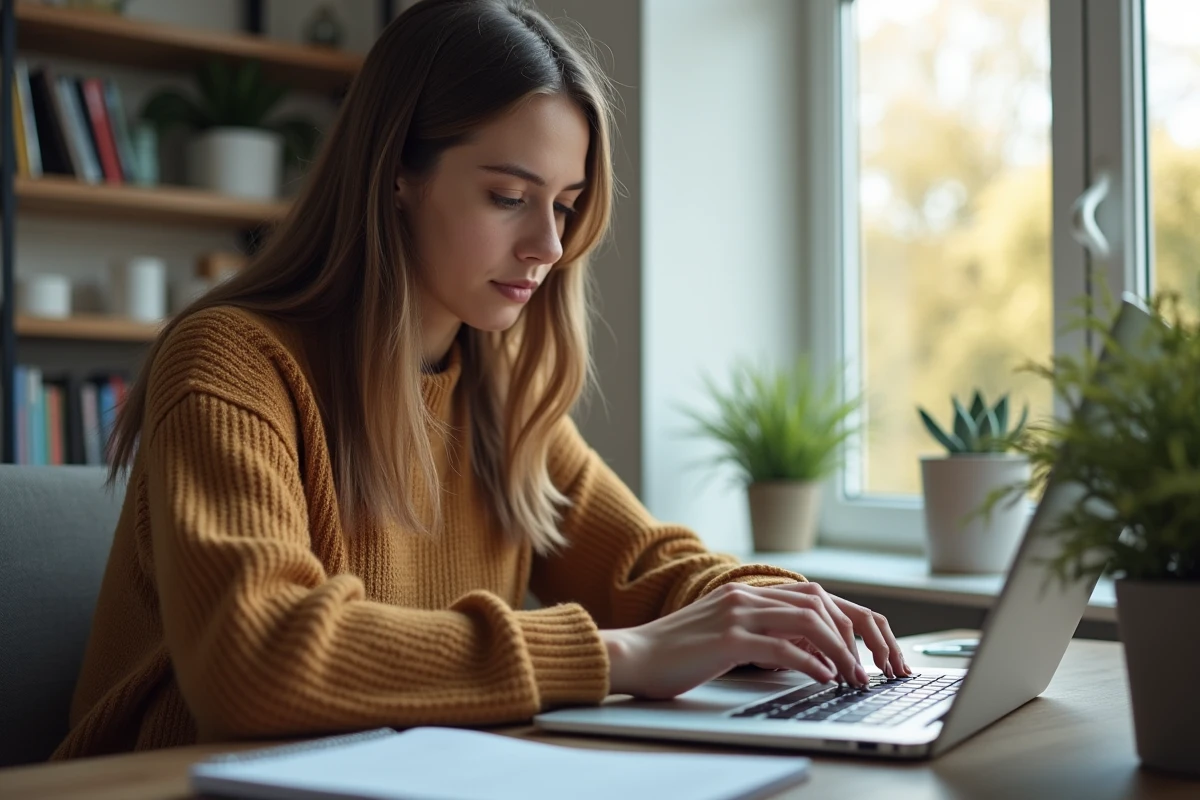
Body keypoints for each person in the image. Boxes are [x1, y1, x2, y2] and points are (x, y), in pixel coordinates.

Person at [52, 0, 910, 760]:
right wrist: (622, 655)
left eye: (566, 205)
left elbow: (647, 568)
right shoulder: (232, 363)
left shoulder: (497, 391)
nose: (549, 245)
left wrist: (770, 607)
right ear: (398, 174)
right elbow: (260, 658)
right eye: (509, 196)